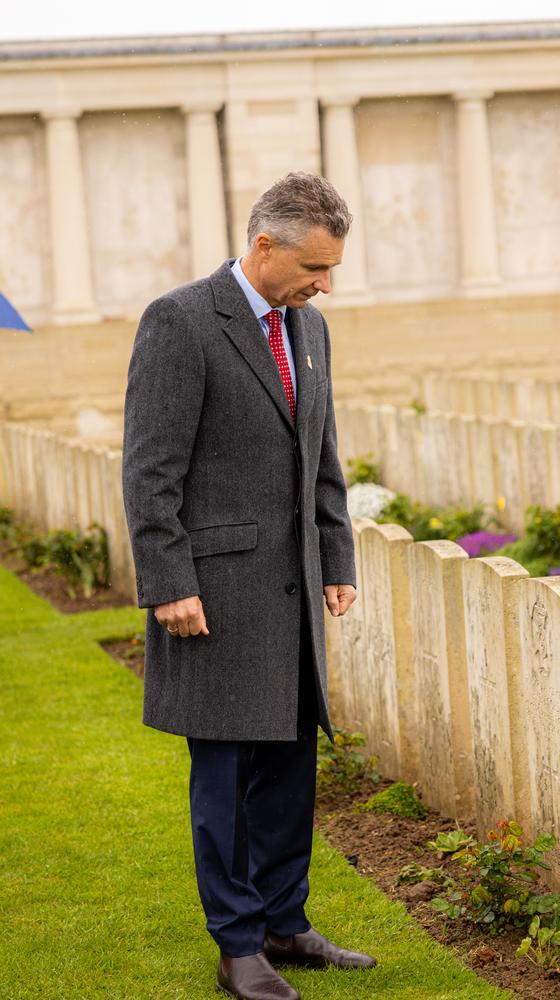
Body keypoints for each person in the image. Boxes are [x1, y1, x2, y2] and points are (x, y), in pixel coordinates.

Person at [122, 172, 376, 1000]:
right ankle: (237, 948)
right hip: (213, 598)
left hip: (293, 592)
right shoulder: (181, 321)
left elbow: (322, 458)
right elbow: (150, 470)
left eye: (332, 270)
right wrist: (168, 582)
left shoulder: (312, 329)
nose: (324, 284)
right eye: (314, 267)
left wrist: (335, 560)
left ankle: (282, 921)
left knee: (289, 771)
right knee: (226, 779)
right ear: (264, 245)